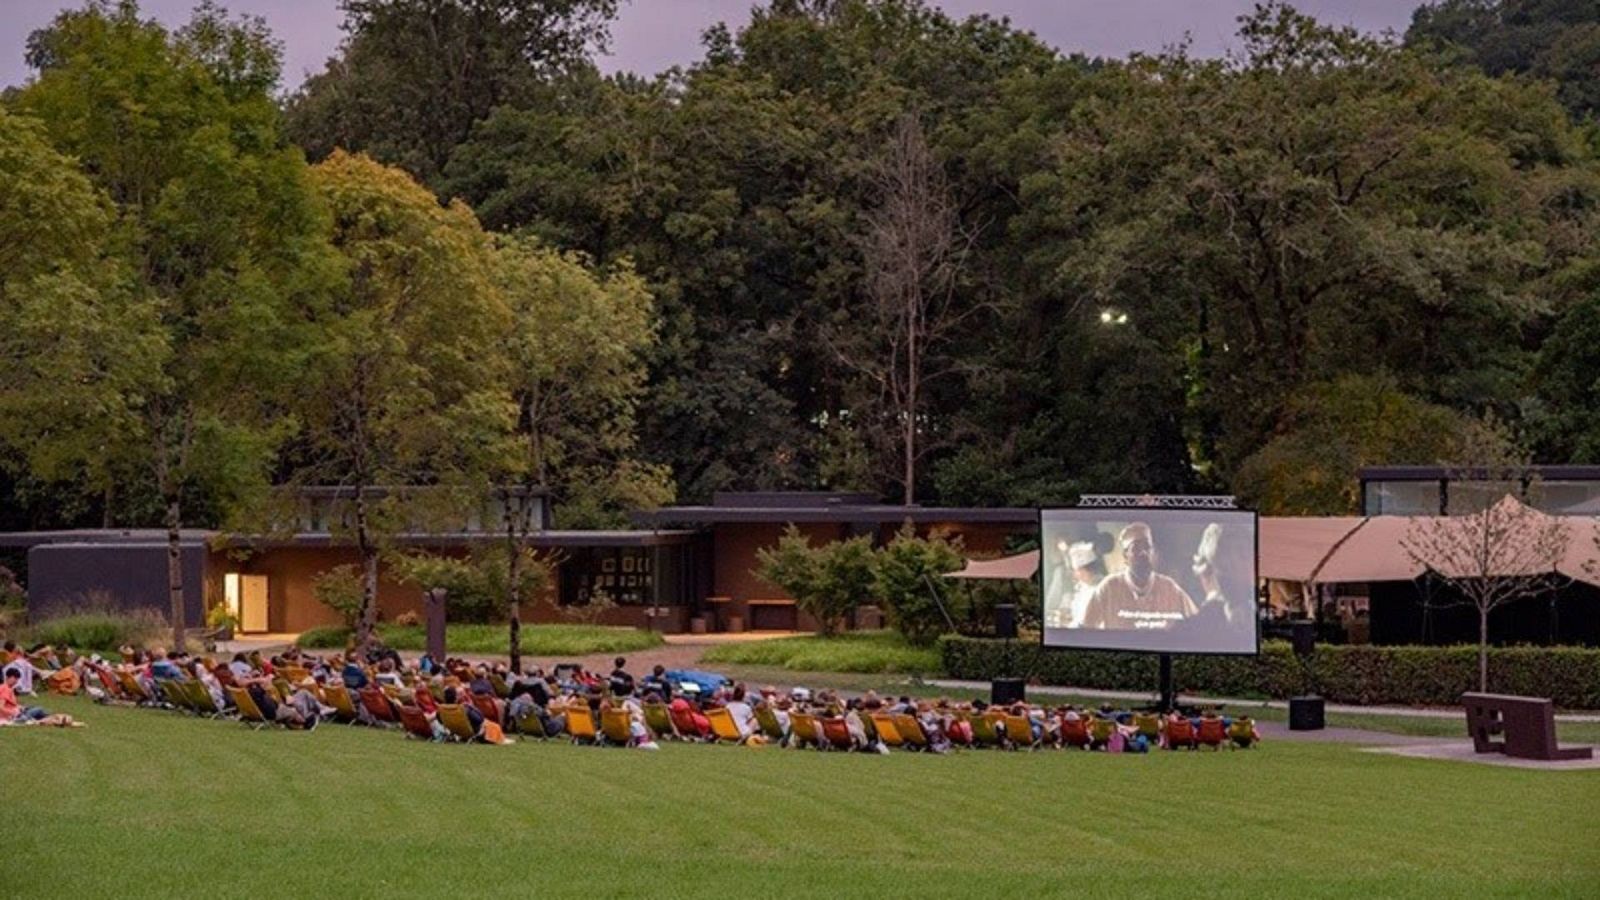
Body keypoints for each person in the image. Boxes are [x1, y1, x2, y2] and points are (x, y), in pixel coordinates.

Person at [1083, 522, 1198, 630]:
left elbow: (1198, 623)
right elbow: (1086, 629)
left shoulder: (1170, 588)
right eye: (1136, 548)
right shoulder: (1108, 588)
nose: (1143, 553)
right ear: (1125, 556)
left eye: (1147, 547)